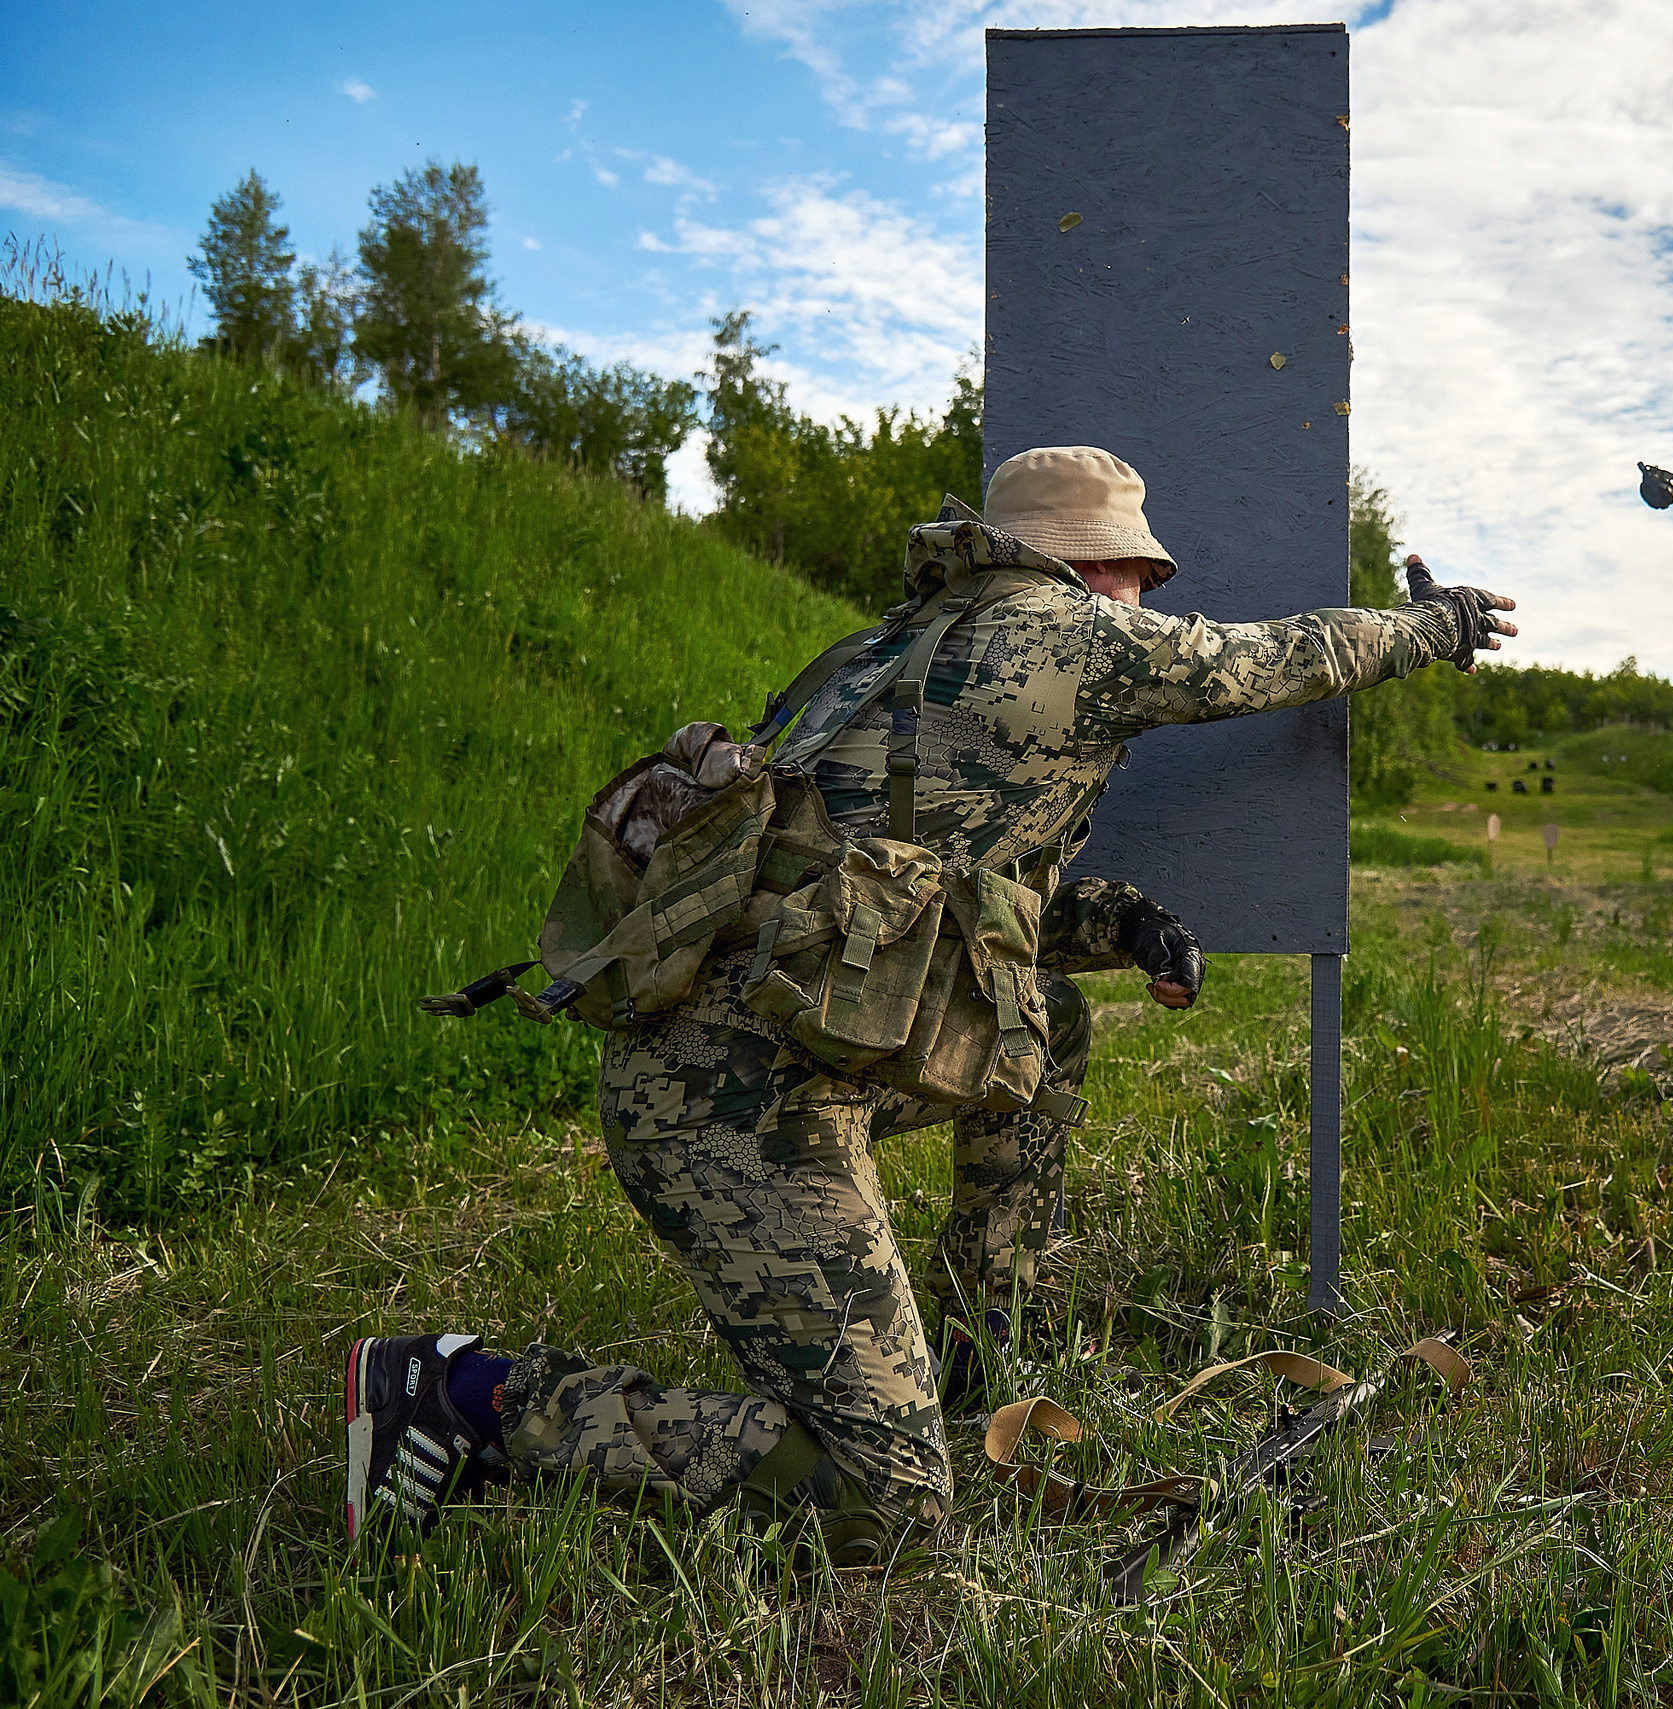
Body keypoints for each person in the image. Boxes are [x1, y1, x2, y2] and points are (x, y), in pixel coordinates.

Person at [346, 445, 1517, 1560]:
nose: (1143, 592)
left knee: (1049, 1019)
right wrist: (1438, 625)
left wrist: (1119, 924)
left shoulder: (905, 652)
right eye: (1129, 567)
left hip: (781, 1050)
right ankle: (462, 1396)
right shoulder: (1062, 636)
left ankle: (976, 1346)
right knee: (887, 1501)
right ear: (1071, 562)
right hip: (734, 1100)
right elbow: (1280, 656)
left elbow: (921, 900)